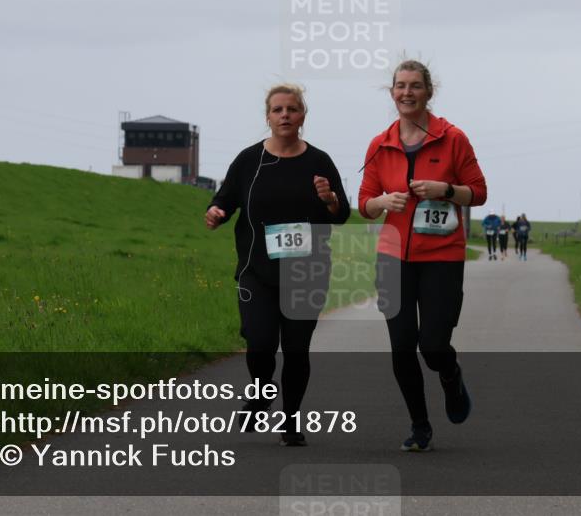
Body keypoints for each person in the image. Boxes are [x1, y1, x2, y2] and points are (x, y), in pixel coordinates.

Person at [205, 84, 350, 446]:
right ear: (268, 117)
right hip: (257, 271)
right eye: (277, 110)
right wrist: (216, 212)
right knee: (259, 342)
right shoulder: (249, 160)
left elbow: (341, 214)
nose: (285, 115)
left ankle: (291, 421)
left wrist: (330, 199)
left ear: (303, 116)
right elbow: (225, 199)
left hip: (307, 272)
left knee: (297, 350)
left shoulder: (319, 161)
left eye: (292, 109)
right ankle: (260, 392)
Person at [358, 60, 488, 452]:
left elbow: (478, 193)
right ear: (392, 92)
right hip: (393, 256)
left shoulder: (453, 138)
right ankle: (420, 426)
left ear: (429, 92)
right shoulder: (380, 144)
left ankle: (450, 374)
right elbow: (364, 203)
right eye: (400, 86)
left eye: (415, 86)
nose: (407, 93)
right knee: (401, 346)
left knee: (432, 346)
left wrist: (444, 190)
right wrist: (382, 202)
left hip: (441, 256)